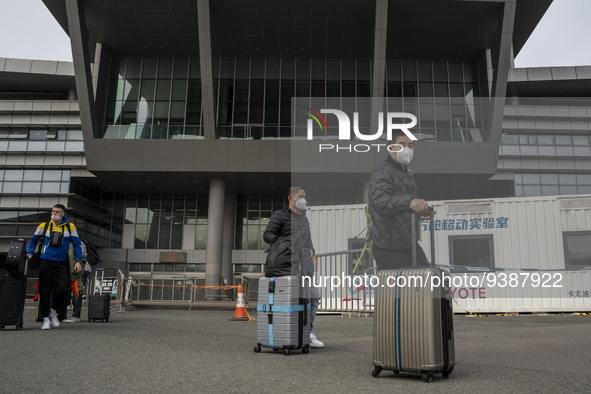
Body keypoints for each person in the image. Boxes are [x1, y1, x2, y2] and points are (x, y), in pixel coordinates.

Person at [263, 186, 324, 349]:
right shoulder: (280, 215)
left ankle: (307, 333)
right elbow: (267, 235)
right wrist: (286, 245)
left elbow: (308, 239)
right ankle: (284, 334)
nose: (304, 199)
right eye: (301, 196)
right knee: (290, 300)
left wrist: (312, 251)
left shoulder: (304, 218)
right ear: (291, 198)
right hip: (286, 265)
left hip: (304, 265)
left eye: (305, 196)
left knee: (313, 296)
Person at [368, 130, 430, 270]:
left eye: (411, 145)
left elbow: (403, 206)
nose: (407, 149)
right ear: (391, 149)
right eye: (402, 144)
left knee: (432, 281)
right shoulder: (382, 171)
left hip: (409, 243)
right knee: (398, 290)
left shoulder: (407, 175)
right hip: (389, 247)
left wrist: (419, 213)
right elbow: (378, 201)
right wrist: (409, 202)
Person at [26, 204, 83, 330]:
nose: (55, 213)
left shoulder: (70, 227)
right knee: (44, 291)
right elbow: (33, 240)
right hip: (46, 262)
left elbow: (77, 244)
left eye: (58, 211)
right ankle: (46, 318)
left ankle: (53, 310)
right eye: (53, 211)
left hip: (62, 263)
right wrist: (30, 252)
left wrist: (78, 261)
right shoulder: (44, 226)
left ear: (63, 214)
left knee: (63, 289)